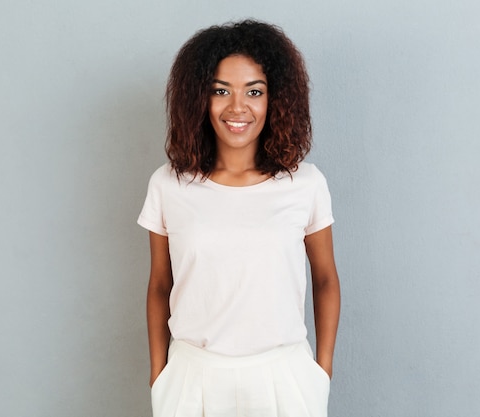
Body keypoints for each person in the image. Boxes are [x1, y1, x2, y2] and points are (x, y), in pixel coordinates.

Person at [137, 19, 340, 417]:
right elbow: (161, 285)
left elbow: (326, 279)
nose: (237, 107)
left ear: (274, 99)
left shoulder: (305, 184)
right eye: (220, 91)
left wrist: (322, 373)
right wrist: (159, 374)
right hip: (192, 378)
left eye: (254, 91)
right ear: (200, 98)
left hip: (284, 376)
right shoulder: (169, 185)